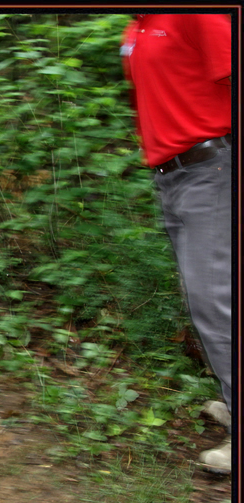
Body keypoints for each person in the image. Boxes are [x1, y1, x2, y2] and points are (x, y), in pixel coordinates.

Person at [121, 14, 232, 473]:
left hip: (214, 168)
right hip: (171, 178)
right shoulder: (135, 28)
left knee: (215, 303)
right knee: (208, 300)